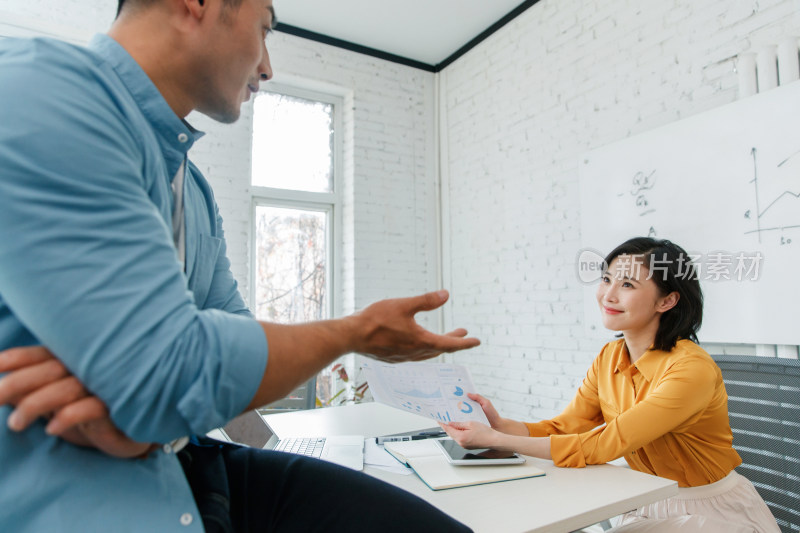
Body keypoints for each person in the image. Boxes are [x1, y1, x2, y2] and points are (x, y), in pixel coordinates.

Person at [0, 0, 479, 531]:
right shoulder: (41, 89)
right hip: (90, 493)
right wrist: (354, 332)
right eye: (265, 27)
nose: (268, 66)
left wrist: (153, 399)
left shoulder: (194, 190)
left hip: (184, 458)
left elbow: (224, 350)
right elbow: (171, 371)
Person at [440, 237, 780, 532]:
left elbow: (606, 443)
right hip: (646, 501)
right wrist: (499, 425)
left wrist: (499, 440)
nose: (609, 295)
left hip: (709, 512)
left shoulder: (691, 369)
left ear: (667, 301)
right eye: (606, 279)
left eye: (628, 285)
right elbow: (567, 425)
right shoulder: (610, 356)